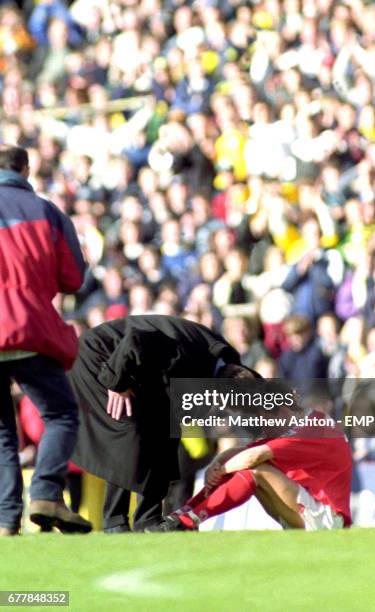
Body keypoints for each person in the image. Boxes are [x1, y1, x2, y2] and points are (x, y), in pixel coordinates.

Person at [69, 314, 260, 533]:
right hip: (101, 358)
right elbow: (136, 339)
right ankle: (114, 521)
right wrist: (117, 381)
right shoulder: (192, 356)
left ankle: (147, 519)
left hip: (138, 367)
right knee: (128, 433)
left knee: (164, 436)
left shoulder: (226, 364)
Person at [0, 144, 91, 536]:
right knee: (61, 414)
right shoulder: (48, 212)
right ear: (27, 169)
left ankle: (6, 520)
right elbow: (74, 278)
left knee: (2, 432)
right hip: (28, 326)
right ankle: (46, 494)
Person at [152, 392, 352, 532]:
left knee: (255, 470)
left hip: (328, 520)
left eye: (265, 421)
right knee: (246, 466)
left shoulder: (311, 429)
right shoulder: (301, 425)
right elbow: (244, 451)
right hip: (312, 513)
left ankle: (188, 519)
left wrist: (221, 470)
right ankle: (183, 515)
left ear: (282, 412)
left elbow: (253, 457)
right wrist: (219, 463)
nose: (264, 429)